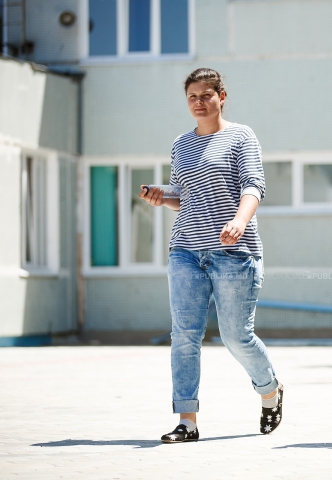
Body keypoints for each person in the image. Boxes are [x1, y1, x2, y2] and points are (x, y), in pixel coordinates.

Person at [140, 68, 283, 443]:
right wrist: (162, 195)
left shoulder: (241, 136)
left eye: (206, 95)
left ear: (222, 95)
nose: (199, 102)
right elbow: (182, 196)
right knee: (185, 335)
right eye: (192, 97)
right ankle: (187, 420)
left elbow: (254, 185)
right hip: (186, 249)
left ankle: (269, 389)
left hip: (234, 253)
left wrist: (239, 221)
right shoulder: (181, 144)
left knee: (236, 336)